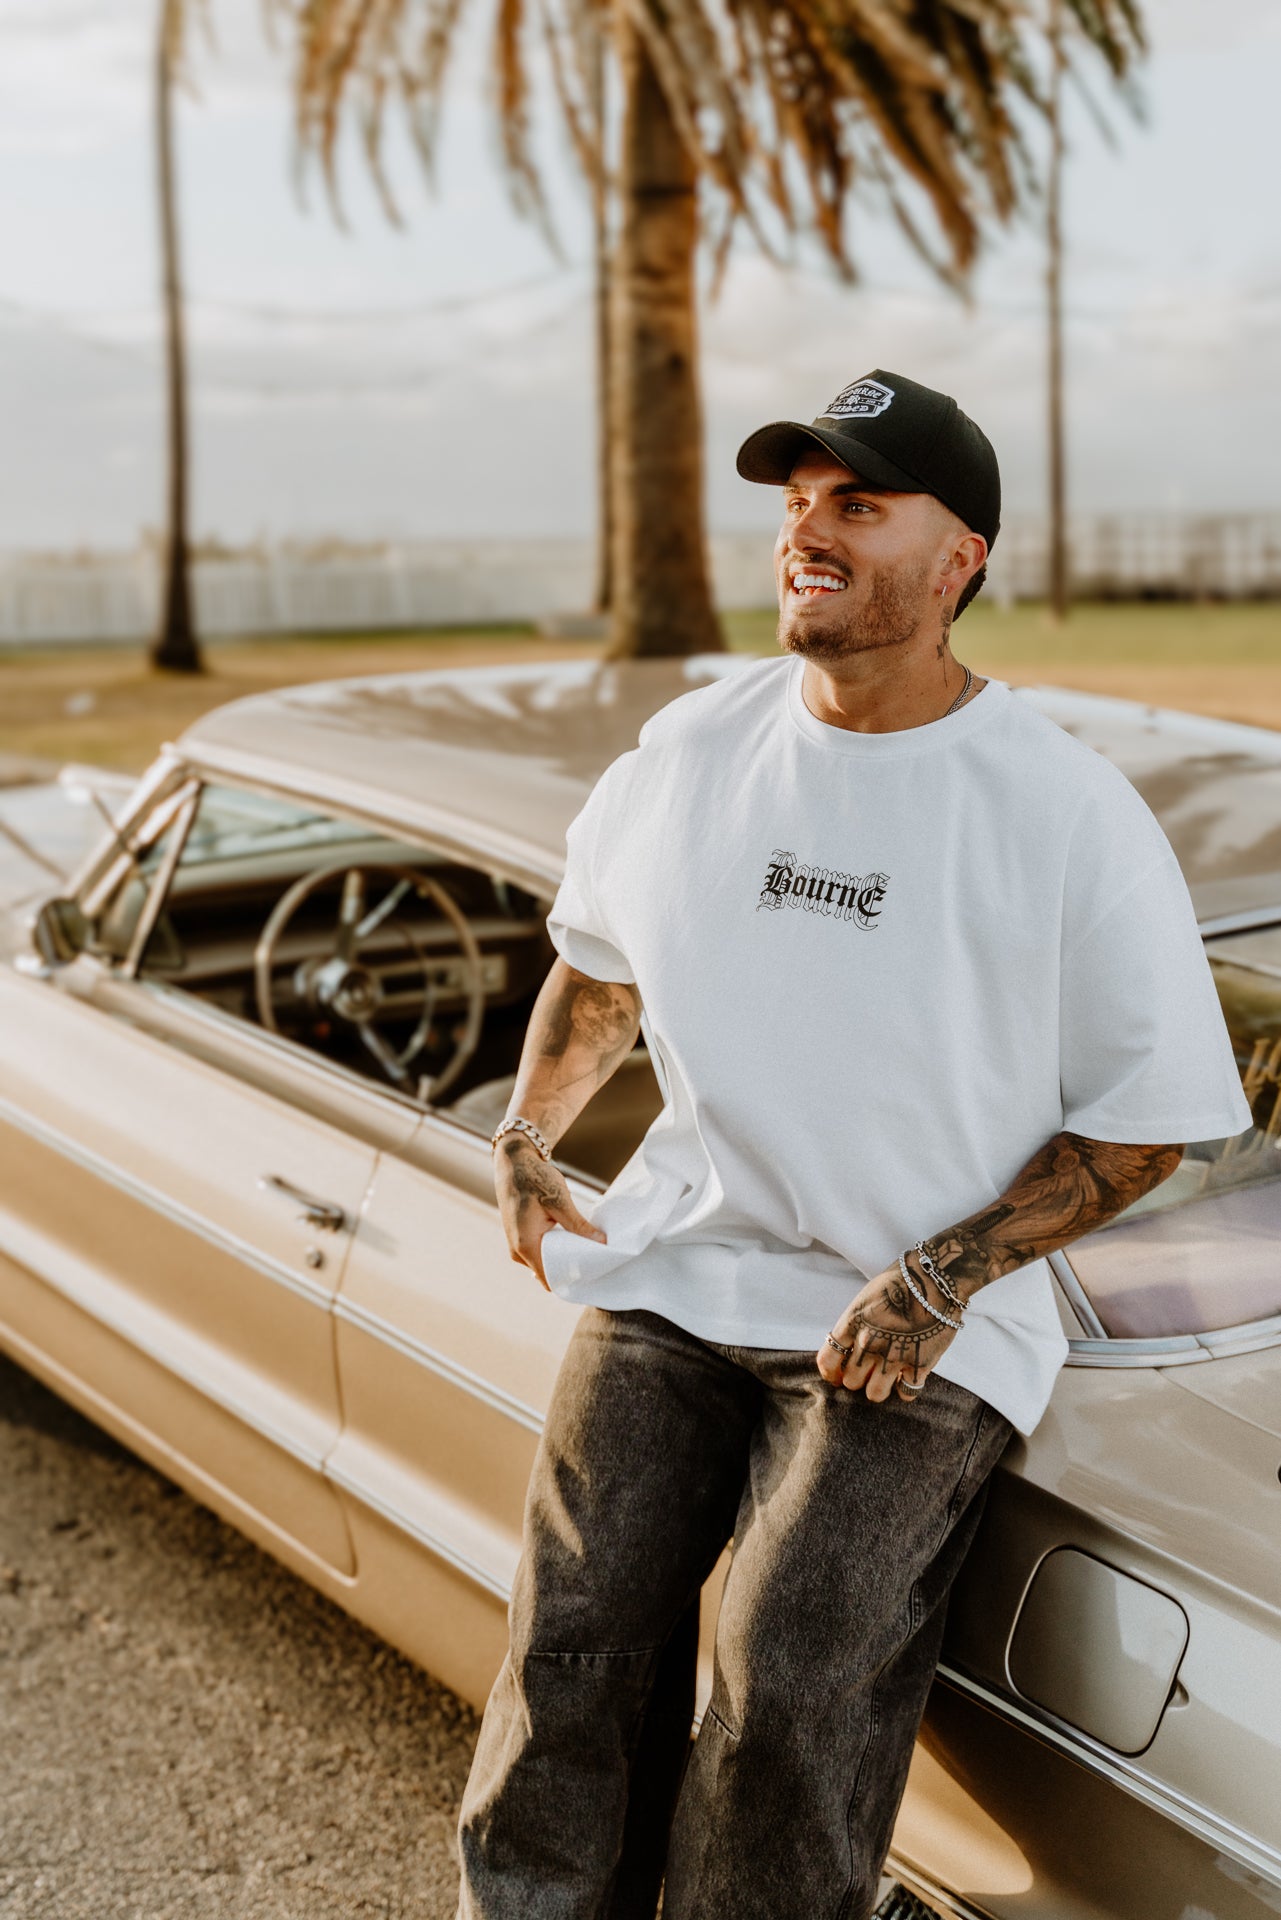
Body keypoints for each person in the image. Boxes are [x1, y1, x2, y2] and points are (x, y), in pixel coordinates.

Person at [454, 369, 1252, 1920]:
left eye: (858, 505)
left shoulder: (1061, 814)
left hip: (911, 1318)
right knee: (570, 1634)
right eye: (797, 502)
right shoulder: (689, 750)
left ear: (959, 560)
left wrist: (938, 1276)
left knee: (791, 1681)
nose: (807, 532)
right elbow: (600, 965)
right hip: (680, 1265)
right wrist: (529, 1127)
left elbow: (1148, 1122)